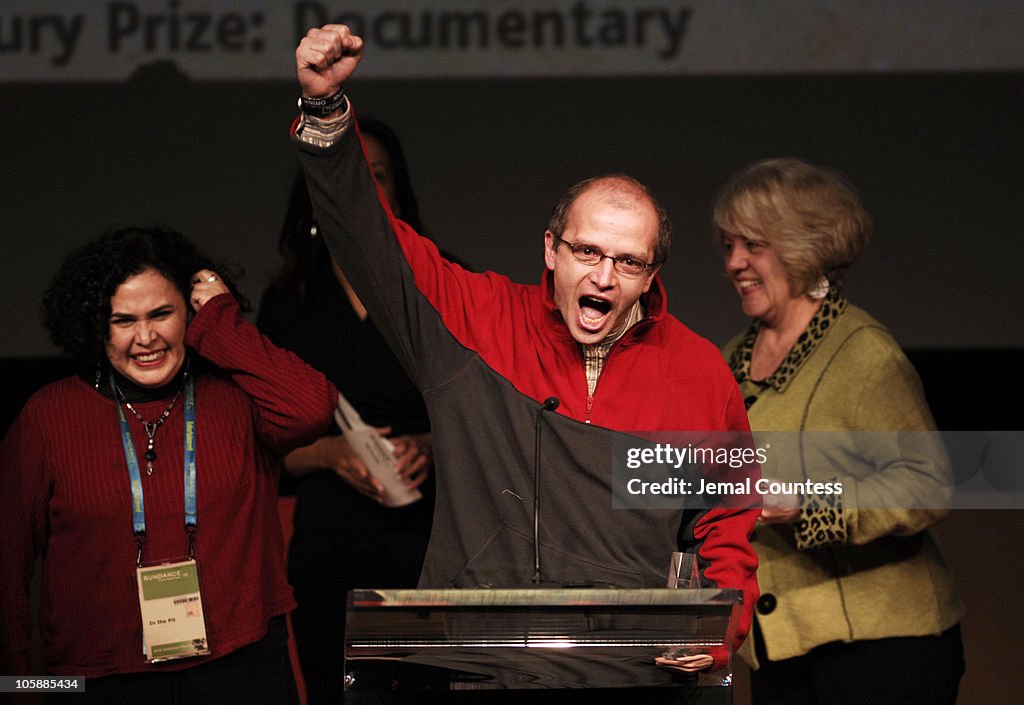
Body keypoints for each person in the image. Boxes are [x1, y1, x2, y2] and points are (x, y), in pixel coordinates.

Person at [288, 25, 759, 680]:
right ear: (551, 250)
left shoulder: (697, 371)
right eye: (587, 251)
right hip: (479, 670)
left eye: (628, 262)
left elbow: (729, 517)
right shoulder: (476, 320)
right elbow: (370, 241)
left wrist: (716, 630)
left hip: (630, 677)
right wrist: (327, 113)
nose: (602, 276)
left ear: (652, 277)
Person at [0, 227, 336, 704]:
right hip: (95, 681)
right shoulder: (48, 416)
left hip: (241, 669)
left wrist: (221, 322)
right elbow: (6, 565)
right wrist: (17, 687)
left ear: (190, 315)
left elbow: (312, 408)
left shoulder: (236, 399)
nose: (145, 337)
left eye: (162, 314)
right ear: (97, 326)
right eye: (123, 320)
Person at [714, 158, 964, 704]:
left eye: (753, 245)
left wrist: (805, 502)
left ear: (802, 248)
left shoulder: (864, 353)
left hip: (881, 651)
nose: (734, 262)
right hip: (778, 647)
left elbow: (928, 485)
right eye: (729, 245)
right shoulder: (731, 356)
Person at [257, 119, 445, 705]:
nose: (362, 187)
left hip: (429, 544)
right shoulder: (290, 302)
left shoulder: (442, 285)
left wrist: (433, 446)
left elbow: (490, 417)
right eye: (344, 174)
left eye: (377, 175)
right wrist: (330, 454)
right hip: (329, 546)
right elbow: (258, 439)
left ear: (398, 190)